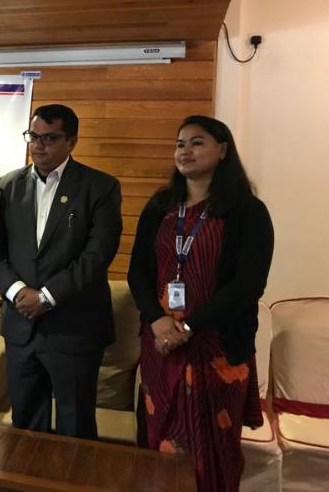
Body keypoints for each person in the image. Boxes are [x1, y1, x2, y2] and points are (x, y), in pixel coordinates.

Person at [127, 115, 273, 492]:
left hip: (217, 347)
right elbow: (137, 272)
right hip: (161, 343)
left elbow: (248, 285)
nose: (185, 151)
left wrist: (189, 327)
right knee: (158, 437)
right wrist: (157, 320)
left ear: (222, 150)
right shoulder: (160, 206)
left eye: (197, 142)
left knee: (212, 448)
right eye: (180, 144)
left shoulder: (248, 211)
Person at [0, 104, 122, 438]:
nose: (37, 145)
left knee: (76, 428)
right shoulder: (7, 186)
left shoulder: (99, 187)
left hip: (73, 327)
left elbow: (97, 256)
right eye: (33, 136)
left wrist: (46, 297)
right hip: (22, 327)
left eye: (49, 138)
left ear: (71, 141)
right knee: (25, 426)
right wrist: (17, 291)